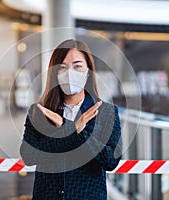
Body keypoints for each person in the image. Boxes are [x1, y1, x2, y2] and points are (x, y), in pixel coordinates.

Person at [20, 39, 122, 200]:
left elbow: (110, 161)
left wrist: (79, 132)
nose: (70, 72)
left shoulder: (106, 112)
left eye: (77, 66)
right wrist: (72, 129)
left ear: (88, 71)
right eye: (62, 67)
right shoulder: (40, 111)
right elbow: (29, 155)